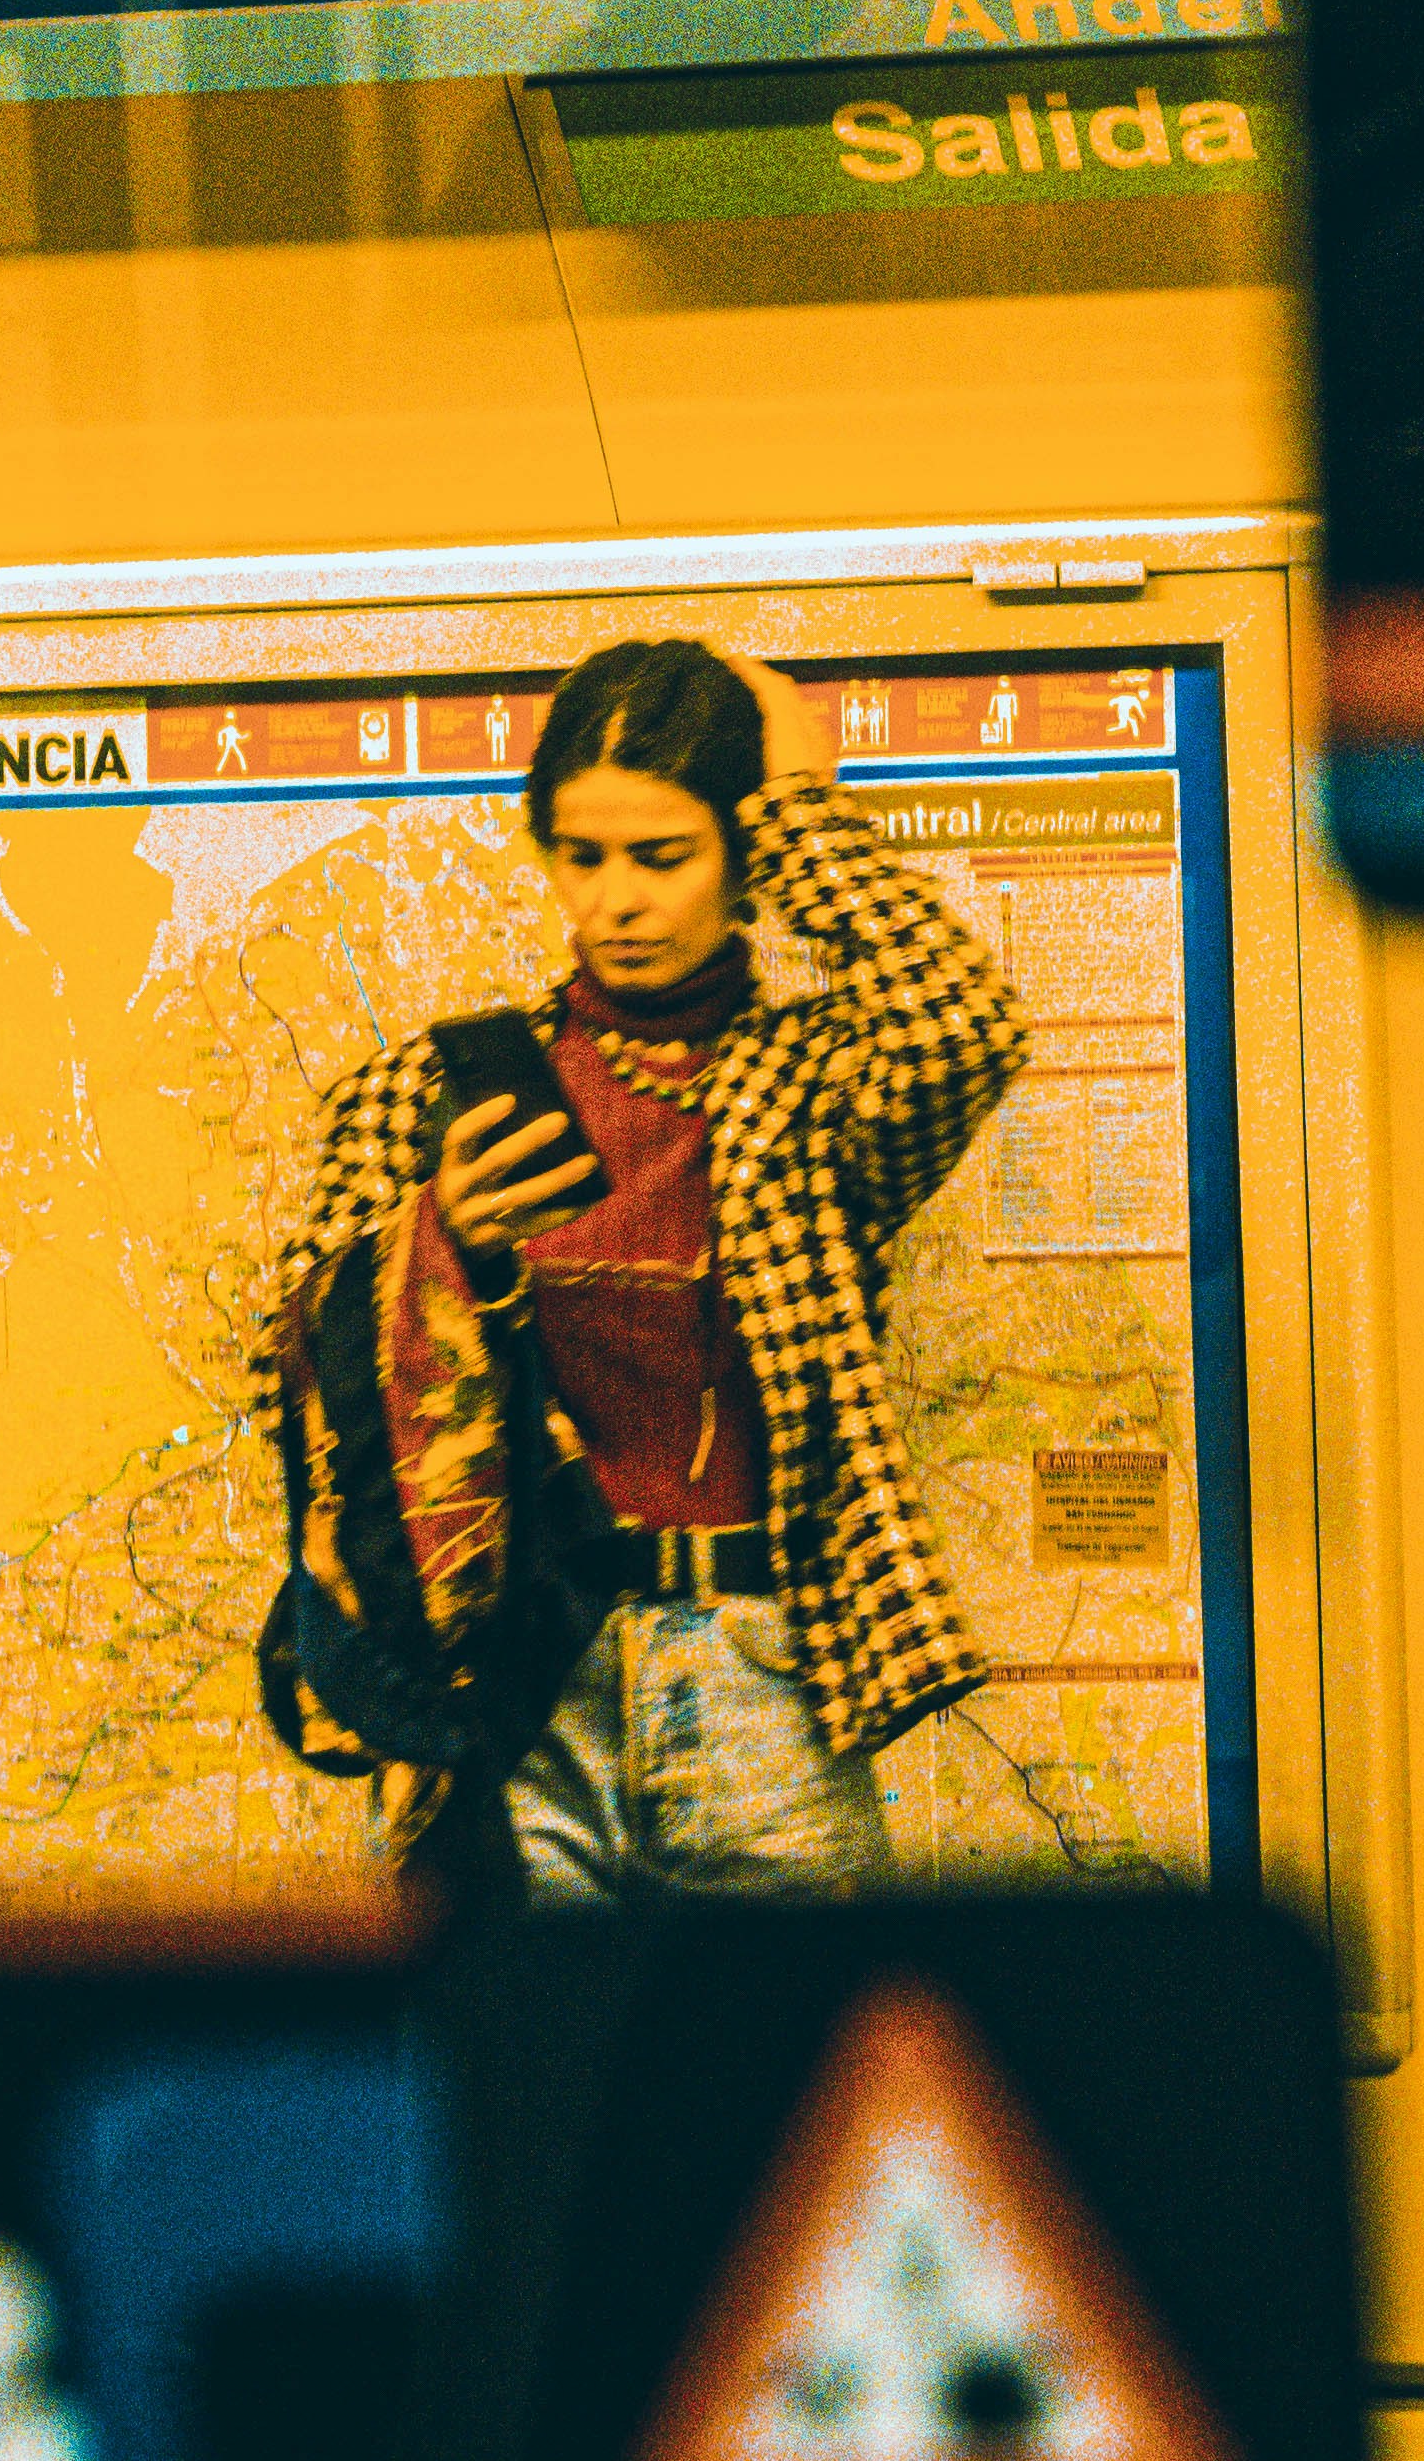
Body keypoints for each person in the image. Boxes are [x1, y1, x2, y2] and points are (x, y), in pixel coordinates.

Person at [253, 640, 1027, 1897]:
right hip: (516, 1684)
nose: (618, 897)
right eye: (584, 853)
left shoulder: (808, 1090)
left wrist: (798, 813)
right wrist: (437, 1240)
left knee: (792, 2073)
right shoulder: (432, 1089)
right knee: (531, 2076)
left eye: (664, 856)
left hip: (764, 1676)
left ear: (740, 858)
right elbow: (291, 1360)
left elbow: (964, 1025)